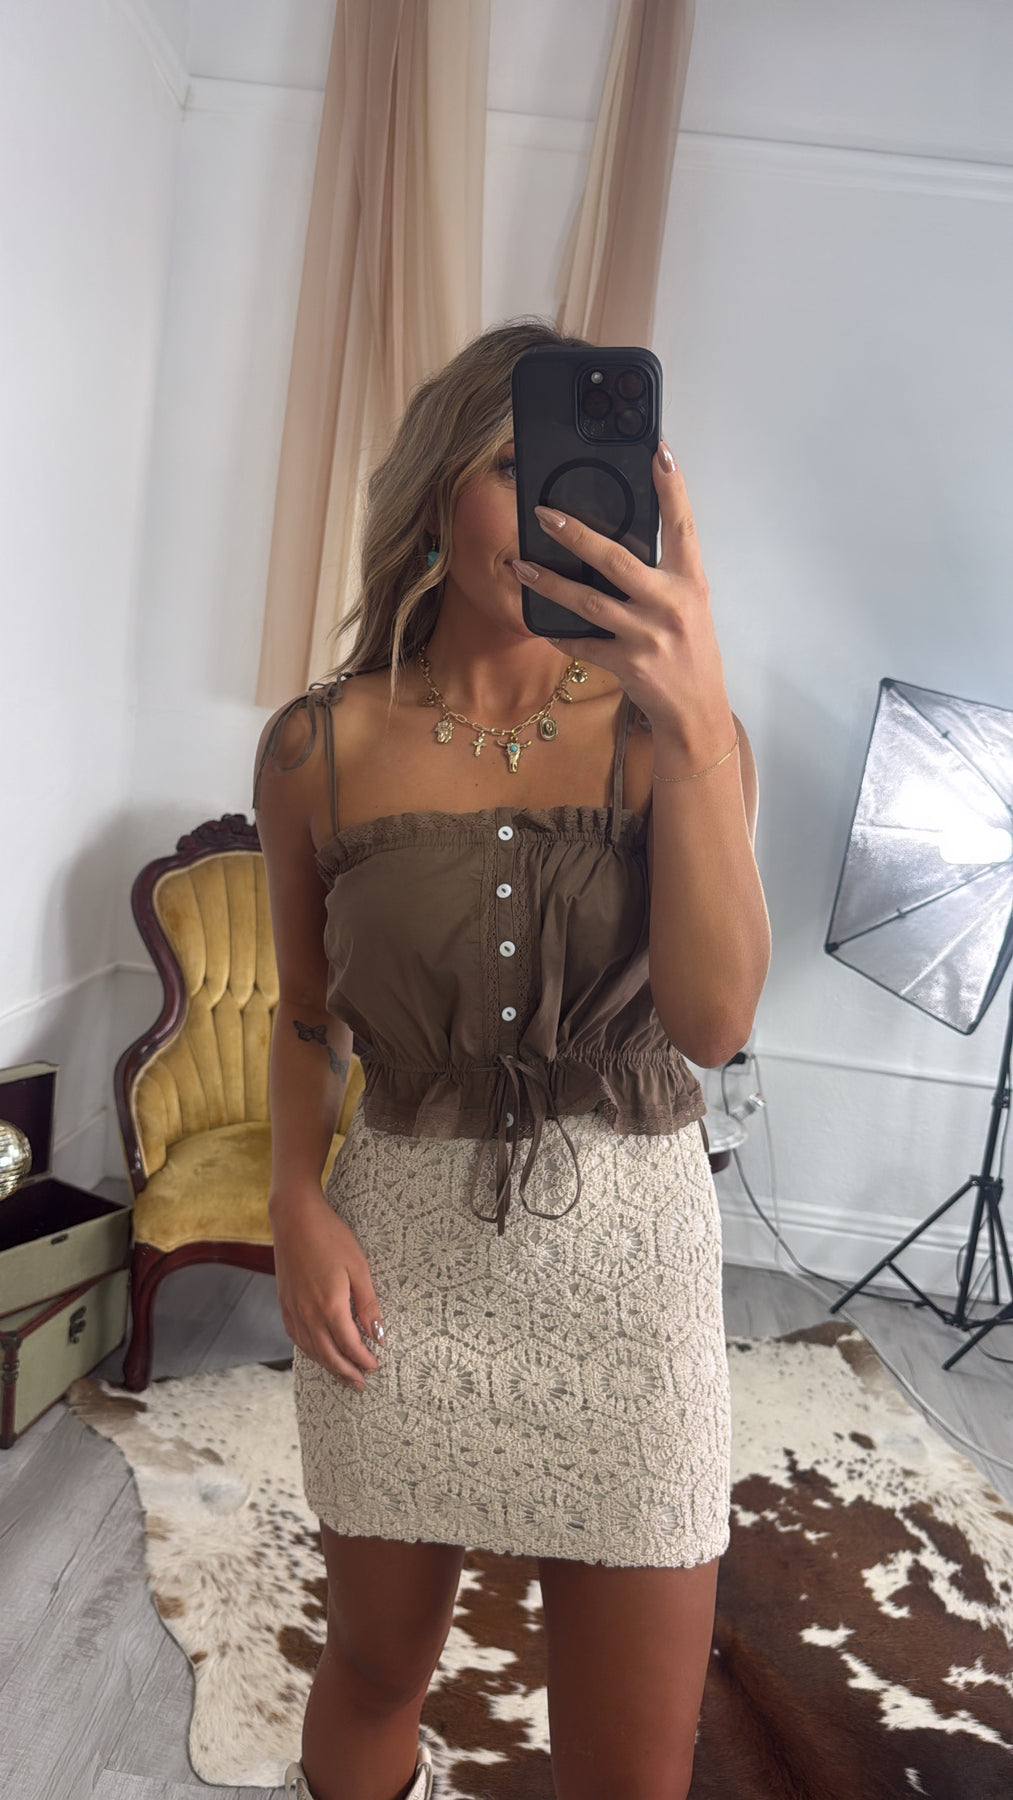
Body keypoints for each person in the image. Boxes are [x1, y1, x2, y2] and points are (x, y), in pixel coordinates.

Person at [253, 318, 770, 1800]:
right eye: (509, 467)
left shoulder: (672, 734)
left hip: (631, 1286)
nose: (554, 509)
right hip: (397, 1273)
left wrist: (700, 724)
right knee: (372, 1673)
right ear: (437, 493)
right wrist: (294, 1200)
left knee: (628, 1768)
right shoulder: (317, 749)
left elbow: (714, 1025)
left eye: (581, 475)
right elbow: (305, 1014)